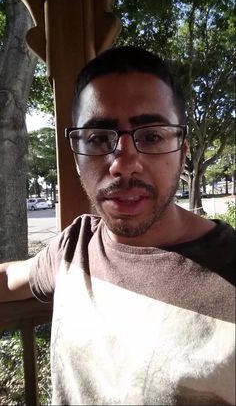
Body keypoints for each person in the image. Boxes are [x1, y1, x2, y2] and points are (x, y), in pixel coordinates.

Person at [0, 46, 235, 405]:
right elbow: (10, 279)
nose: (124, 164)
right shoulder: (73, 248)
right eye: (98, 139)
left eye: (152, 136)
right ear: (76, 156)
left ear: (182, 152)